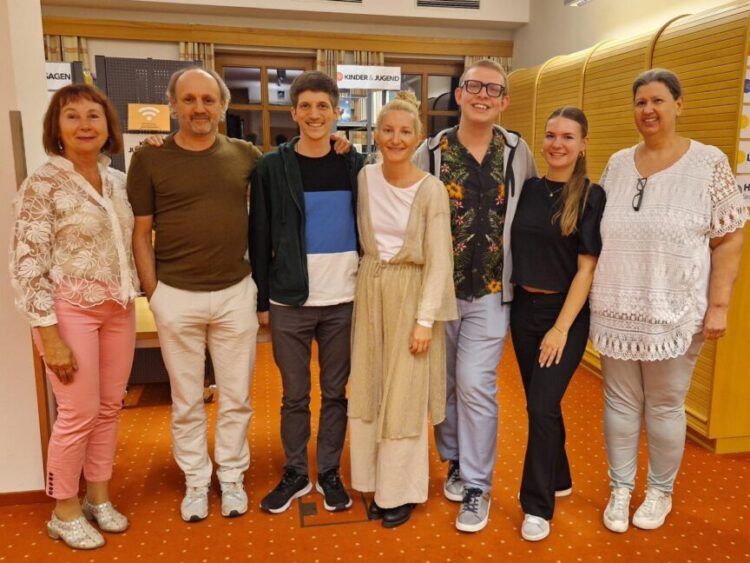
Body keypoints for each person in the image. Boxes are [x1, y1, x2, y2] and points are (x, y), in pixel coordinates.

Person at [590, 68, 747, 533]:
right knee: (619, 403)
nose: (648, 110)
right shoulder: (618, 163)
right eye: (640, 102)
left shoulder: (708, 163)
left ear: (679, 104)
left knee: (663, 405)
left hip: (674, 310)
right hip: (617, 304)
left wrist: (719, 306)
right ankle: (621, 489)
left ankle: (660, 491)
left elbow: (729, 238)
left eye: (658, 100)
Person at [127, 67, 262, 523]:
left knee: (237, 397)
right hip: (175, 296)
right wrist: (155, 296)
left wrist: (339, 145)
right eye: (189, 99)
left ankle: (231, 475)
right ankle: (196, 481)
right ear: (173, 105)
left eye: (208, 99)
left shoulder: (246, 155)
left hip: (234, 293)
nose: (199, 108)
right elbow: (140, 234)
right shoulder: (149, 159)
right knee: (186, 400)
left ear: (222, 106)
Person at [9, 84, 138, 549]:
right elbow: (27, 264)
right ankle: (63, 509)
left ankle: (97, 497)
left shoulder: (116, 180)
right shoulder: (42, 184)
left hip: (119, 309)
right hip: (69, 312)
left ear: (107, 125)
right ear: (56, 128)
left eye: (93, 115)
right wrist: (49, 335)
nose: (85, 125)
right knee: (77, 412)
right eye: (72, 116)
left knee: (109, 407)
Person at [413, 58, 537, 532]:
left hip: (491, 291)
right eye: (474, 87)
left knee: (475, 383)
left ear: (504, 101)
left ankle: (477, 486)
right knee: (444, 383)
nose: (483, 95)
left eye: (493, 89)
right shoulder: (432, 151)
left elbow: (530, 211)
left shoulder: (516, 151)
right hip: (440, 291)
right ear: (459, 95)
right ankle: (455, 460)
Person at [250, 71, 364, 514]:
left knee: (336, 393)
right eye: (306, 106)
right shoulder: (271, 167)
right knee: (294, 395)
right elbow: (259, 234)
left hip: (344, 300)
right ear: (293, 112)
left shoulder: (355, 165)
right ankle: (296, 472)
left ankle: (330, 471)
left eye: (323, 107)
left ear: (337, 112)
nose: (314, 115)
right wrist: (262, 300)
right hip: (289, 299)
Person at [348, 92, 457, 528]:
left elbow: (440, 259)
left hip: (412, 296)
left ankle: (401, 491)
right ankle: (374, 481)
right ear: (376, 134)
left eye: (405, 132)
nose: (396, 139)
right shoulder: (364, 177)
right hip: (370, 289)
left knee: (405, 396)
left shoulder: (431, 190)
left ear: (419, 137)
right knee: (370, 386)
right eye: (388, 130)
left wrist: (425, 320)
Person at [509, 107, 606, 541]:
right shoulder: (528, 188)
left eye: (568, 137)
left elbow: (586, 269)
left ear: (583, 144)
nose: (557, 144)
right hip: (522, 311)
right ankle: (560, 474)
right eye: (551, 135)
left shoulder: (591, 196)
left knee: (541, 406)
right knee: (541, 403)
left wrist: (561, 329)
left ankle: (537, 505)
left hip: (564, 316)